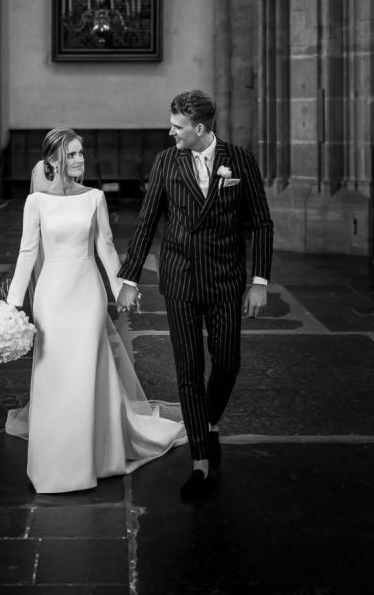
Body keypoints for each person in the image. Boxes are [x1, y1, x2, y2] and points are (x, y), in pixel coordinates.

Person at [4, 127, 186, 494]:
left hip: (87, 293)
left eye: (81, 152)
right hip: (52, 296)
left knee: (87, 369)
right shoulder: (36, 202)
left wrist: (122, 289)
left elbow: (105, 248)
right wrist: (11, 308)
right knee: (55, 373)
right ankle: (55, 463)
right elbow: (27, 254)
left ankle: (92, 459)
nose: (79, 159)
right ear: (54, 159)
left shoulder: (95, 198)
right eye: (71, 154)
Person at [117, 89, 274, 501]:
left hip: (225, 279)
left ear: (200, 128)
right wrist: (129, 278)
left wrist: (259, 281)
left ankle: (205, 422)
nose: (171, 132)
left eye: (177, 126)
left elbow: (261, 223)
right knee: (188, 370)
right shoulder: (167, 161)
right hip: (180, 279)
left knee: (227, 362)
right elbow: (148, 221)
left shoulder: (240, 160)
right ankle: (200, 463)